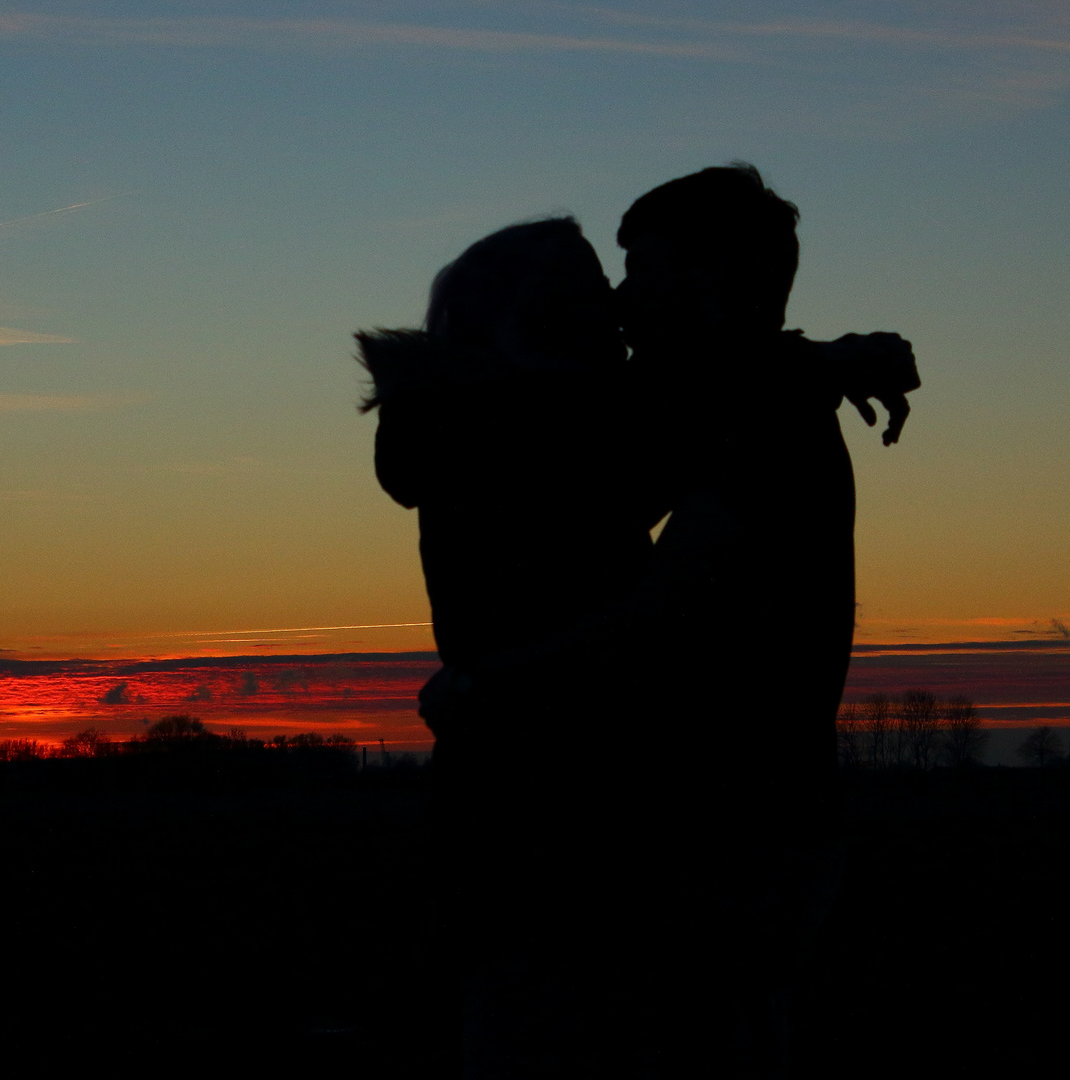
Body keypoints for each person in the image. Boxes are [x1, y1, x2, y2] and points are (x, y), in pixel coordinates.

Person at [360, 188, 918, 1074]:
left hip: (568, 819)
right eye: (596, 292)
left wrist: (815, 363)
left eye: (631, 275)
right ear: (536, 324)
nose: (618, 306)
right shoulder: (527, 441)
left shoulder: (534, 424)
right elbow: (683, 426)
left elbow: (692, 411)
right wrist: (821, 363)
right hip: (541, 820)